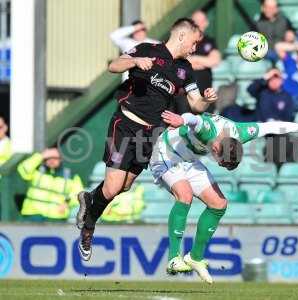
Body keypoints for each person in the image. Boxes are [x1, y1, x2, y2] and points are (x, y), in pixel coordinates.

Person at [76, 18, 218, 262]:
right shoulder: (147, 50)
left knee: (125, 186)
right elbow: (114, 66)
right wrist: (134, 61)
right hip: (126, 124)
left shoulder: (185, 69)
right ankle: (88, 227)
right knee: (111, 187)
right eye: (194, 43)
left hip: (150, 134)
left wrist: (207, 99)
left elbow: (195, 104)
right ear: (182, 36)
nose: (195, 48)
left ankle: (90, 199)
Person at [150, 110, 298, 283]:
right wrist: (182, 120)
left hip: (189, 161)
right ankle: (174, 258)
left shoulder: (241, 133)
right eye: (216, 157)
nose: (214, 157)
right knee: (185, 195)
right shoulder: (207, 129)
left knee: (219, 204)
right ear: (216, 147)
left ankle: (195, 257)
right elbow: (194, 119)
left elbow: (271, 127)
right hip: (166, 152)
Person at [17, 148, 83, 221]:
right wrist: (40, 156)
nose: (51, 160)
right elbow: (23, 169)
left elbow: (79, 194)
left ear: (60, 159)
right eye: (48, 158)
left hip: (56, 217)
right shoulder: (37, 170)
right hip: (32, 214)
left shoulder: (71, 175)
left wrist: (67, 202)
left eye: (55, 158)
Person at [189, 10, 221, 113]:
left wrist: (194, 59)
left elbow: (215, 61)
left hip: (205, 92)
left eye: (201, 21)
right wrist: (204, 61)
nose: (198, 24)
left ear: (206, 23)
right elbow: (182, 62)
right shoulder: (186, 41)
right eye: (196, 21)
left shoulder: (210, 41)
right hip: (186, 93)